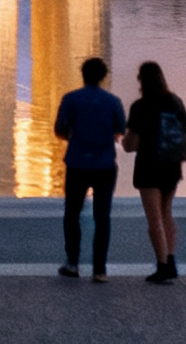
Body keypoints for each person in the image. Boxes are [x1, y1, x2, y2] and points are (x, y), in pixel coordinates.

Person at [53, 57, 128, 280]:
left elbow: (59, 129)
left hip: (77, 163)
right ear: (103, 77)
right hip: (104, 165)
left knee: (72, 214)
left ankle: (73, 263)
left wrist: (74, 137)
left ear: (83, 75)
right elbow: (120, 129)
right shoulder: (113, 101)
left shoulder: (71, 99)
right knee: (102, 216)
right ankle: (99, 269)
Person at [121, 61, 186, 283]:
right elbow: (184, 134)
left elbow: (131, 144)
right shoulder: (175, 102)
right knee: (167, 213)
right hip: (172, 165)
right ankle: (170, 258)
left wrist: (125, 141)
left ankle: (162, 265)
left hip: (149, 167)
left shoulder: (140, 107)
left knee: (154, 219)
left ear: (142, 81)